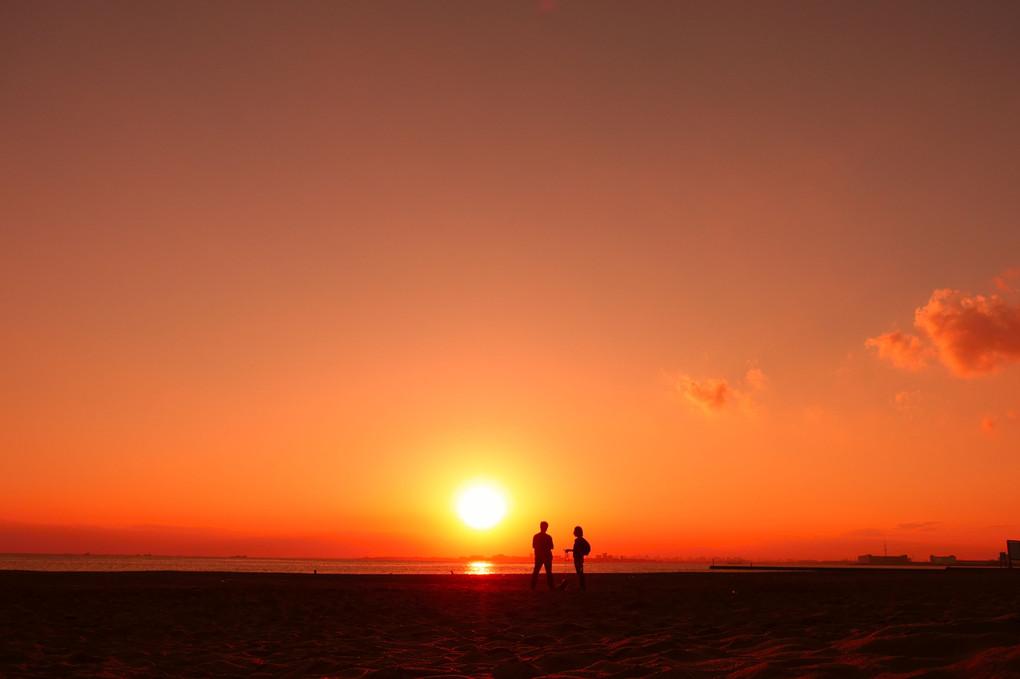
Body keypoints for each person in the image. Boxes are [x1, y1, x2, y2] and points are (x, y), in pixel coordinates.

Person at [564, 525, 590, 590]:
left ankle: (582, 586)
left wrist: (583, 553)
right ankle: (582, 586)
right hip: (576, 558)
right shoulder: (577, 540)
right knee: (579, 572)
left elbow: (588, 548)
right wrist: (569, 550)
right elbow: (575, 550)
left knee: (580, 572)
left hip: (579, 559)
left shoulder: (581, 540)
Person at [531, 521, 555, 590]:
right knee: (547, 572)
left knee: (537, 572)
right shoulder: (547, 537)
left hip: (541, 556)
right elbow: (551, 547)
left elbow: (534, 546)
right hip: (544, 556)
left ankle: (533, 586)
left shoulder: (537, 536)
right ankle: (550, 586)